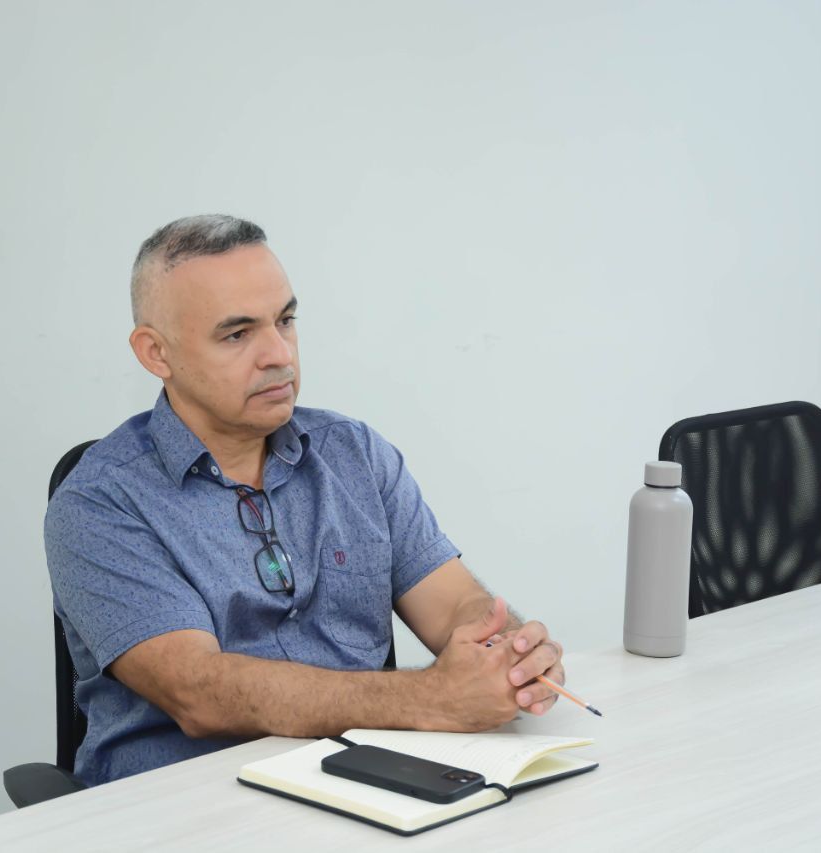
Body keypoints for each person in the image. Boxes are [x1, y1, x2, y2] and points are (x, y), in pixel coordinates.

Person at [45, 214, 566, 787]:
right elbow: (199, 692)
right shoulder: (100, 501)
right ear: (156, 353)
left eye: (285, 321)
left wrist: (505, 654)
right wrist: (434, 698)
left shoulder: (355, 453)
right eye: (237, 334)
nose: (278, 355)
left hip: (368, 782)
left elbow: (455, 606)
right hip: (187, 805)